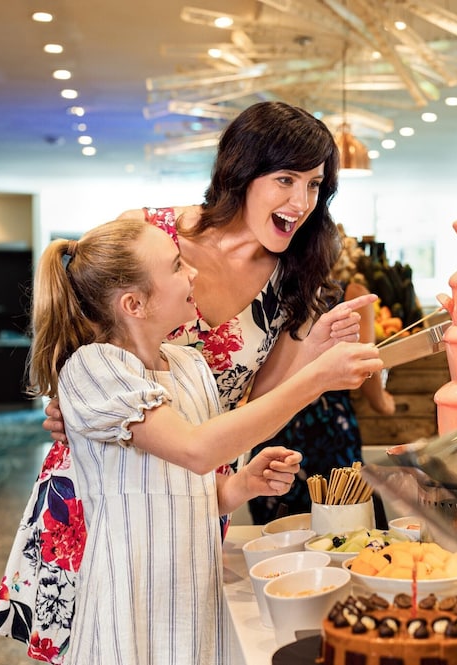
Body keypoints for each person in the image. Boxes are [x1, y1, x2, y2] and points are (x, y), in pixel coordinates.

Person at [0, 219, 381, 664]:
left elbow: (201, 480)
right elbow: (196, 449)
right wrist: (316, 379)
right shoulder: (94, 368)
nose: (192, 274)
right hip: (128, 598)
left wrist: (242, 485)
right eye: (177, 267)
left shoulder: (190, 366)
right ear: (134, 303)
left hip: (194, 593)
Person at [40, 101, 365, 531]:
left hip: (204, 493)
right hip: (107, 485)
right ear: (242, 173)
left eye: (314, 185)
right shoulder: (149, 236)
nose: (302, 201)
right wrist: (66, 400)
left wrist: (316, 351)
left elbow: (265, 401)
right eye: (286, 179)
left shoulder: (297, 277)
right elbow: (86, 347)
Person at [247, 228, 397, 525]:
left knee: (280, 534)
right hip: (330, 432)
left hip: (272, 426)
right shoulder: (350, 296)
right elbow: (366, 375)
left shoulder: (262, 299)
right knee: (347, 527)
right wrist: (385, 403)